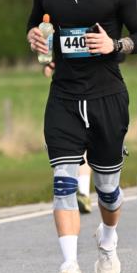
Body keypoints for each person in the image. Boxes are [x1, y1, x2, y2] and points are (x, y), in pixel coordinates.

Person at [27, 0, 137, 273]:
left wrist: (114, 46)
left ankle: (108, 240)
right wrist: (33, 37)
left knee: (108, 189)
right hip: (64, 96)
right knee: (64, 182)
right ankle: (70, 268)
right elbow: (37, 26)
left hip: (107, 97)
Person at [44, 61, 93, 212]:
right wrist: (52, 63)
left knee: (88, 146)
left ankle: (83, 191)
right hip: (65, 94)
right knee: (66, 146)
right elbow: (63, 46)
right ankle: (77, 192)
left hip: (96, 92)